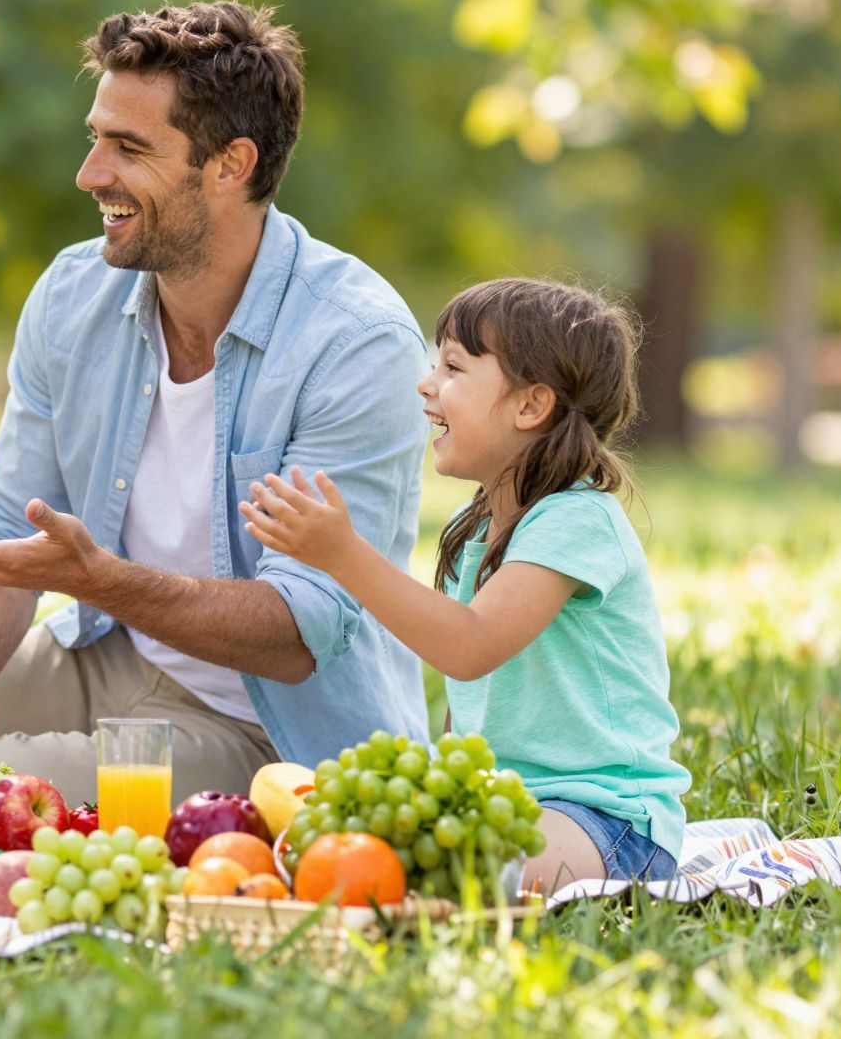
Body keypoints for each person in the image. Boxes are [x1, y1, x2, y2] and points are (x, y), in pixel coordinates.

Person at [0, 0, 432, 803]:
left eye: (129, 148)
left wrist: (100, 579)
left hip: (274, 734)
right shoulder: (75, 293)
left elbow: (300, 632)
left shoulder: (356, 343)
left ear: (231, 164)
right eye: (94, 137)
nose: (91, 173)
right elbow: (3, 524)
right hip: (107, 653)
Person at [241, 278, 688, 888]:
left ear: (531, 406)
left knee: (445, 873)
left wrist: (343, 554)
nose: (426, 385)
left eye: (452, 367)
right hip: (502, 803)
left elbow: (469, 646)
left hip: (608, 822)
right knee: (351, 854)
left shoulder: (578, 519)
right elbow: (471, 705)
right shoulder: (476, 526)